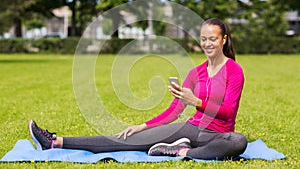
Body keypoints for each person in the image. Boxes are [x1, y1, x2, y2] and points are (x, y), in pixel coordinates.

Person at [28, 18, 248, 160]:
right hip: (192, 129)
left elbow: (228, 111)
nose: (208, 44)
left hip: (218, 135)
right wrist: (141, 127)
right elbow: (174, 111)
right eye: (203, 39)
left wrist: (196, 102)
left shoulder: (234, 71)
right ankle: (54, 141)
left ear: (223, 40)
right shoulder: (196, 73)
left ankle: (181, 151)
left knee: (239, 142)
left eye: (213, 39)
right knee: (125, 140)